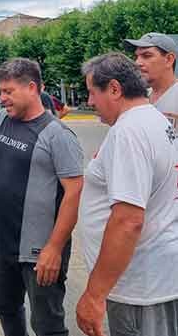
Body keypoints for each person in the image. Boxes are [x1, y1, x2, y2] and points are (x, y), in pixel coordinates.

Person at [0, 58, 84, 336]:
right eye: (0, 91)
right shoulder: (3, 120)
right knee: (4, 303)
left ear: (31, 88)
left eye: (8, 92)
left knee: (47, 323)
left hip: (41, 250)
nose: (2, 98)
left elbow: (73, 194)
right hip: (4, 243)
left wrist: (54, 248)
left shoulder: (57, 135)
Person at [75, 53, 178, 336]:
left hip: (140, 287)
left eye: (92, 92)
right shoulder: (155, 120)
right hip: (154, 276)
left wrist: (94, 295)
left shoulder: (129, 131)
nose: (90, 102)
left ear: (115, 89)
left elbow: (128, 220)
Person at [125, 32, 178, 128]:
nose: (137, 62)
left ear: (169, 60)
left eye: (146, 56)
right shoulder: (140, 98)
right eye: (136, 57)